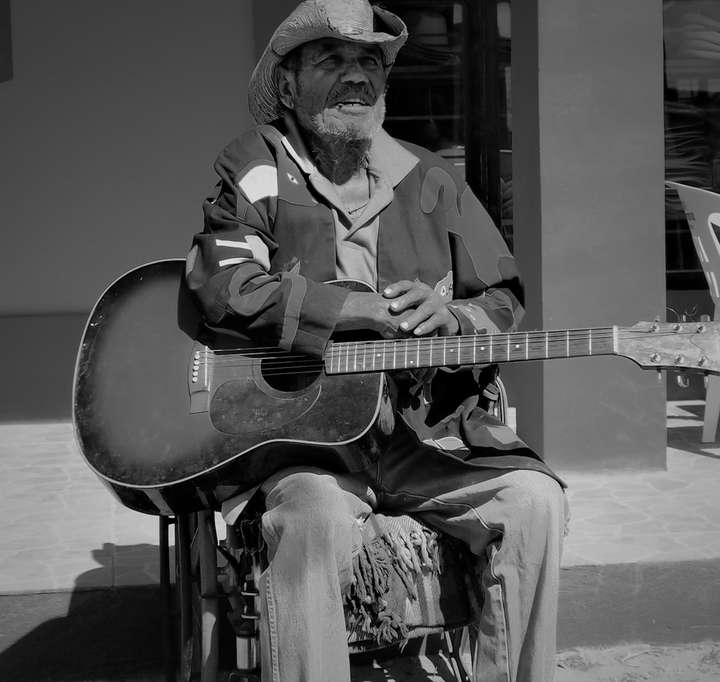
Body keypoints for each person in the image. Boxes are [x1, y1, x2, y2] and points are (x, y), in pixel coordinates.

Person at [185, 1, 568, 680]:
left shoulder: (431, 179)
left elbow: (502, 297)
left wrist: (455, 321)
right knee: (310, 524)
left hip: (426, 436)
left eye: (369, 63)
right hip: (308, 442)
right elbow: (226, 286)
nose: (356, 76)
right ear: (287, 85)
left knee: (536, 502)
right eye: (332, 60)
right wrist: (358, 309)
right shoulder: (256, 165)